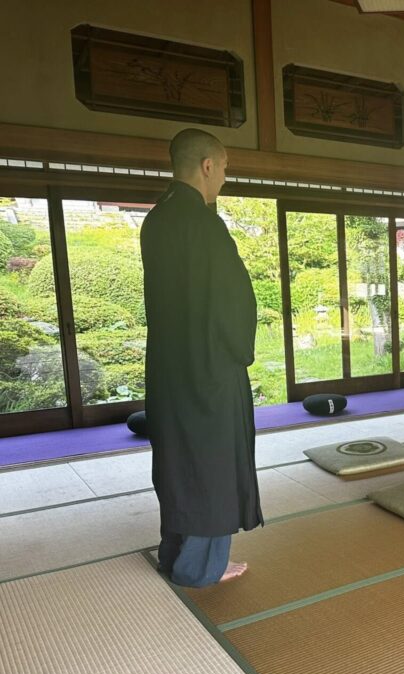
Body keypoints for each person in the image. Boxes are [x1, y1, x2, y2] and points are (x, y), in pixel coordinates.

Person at [141, 128, 262, 587]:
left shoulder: (157, 219)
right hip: (209, 368)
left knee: (177, 459)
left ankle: (174, 555)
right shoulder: (204, 223)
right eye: (226, 167)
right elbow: (233, 300)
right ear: (208, 165)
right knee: (211, 463)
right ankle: (201, 567)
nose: (225, 177)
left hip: (169, 364)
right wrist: (239, 351)